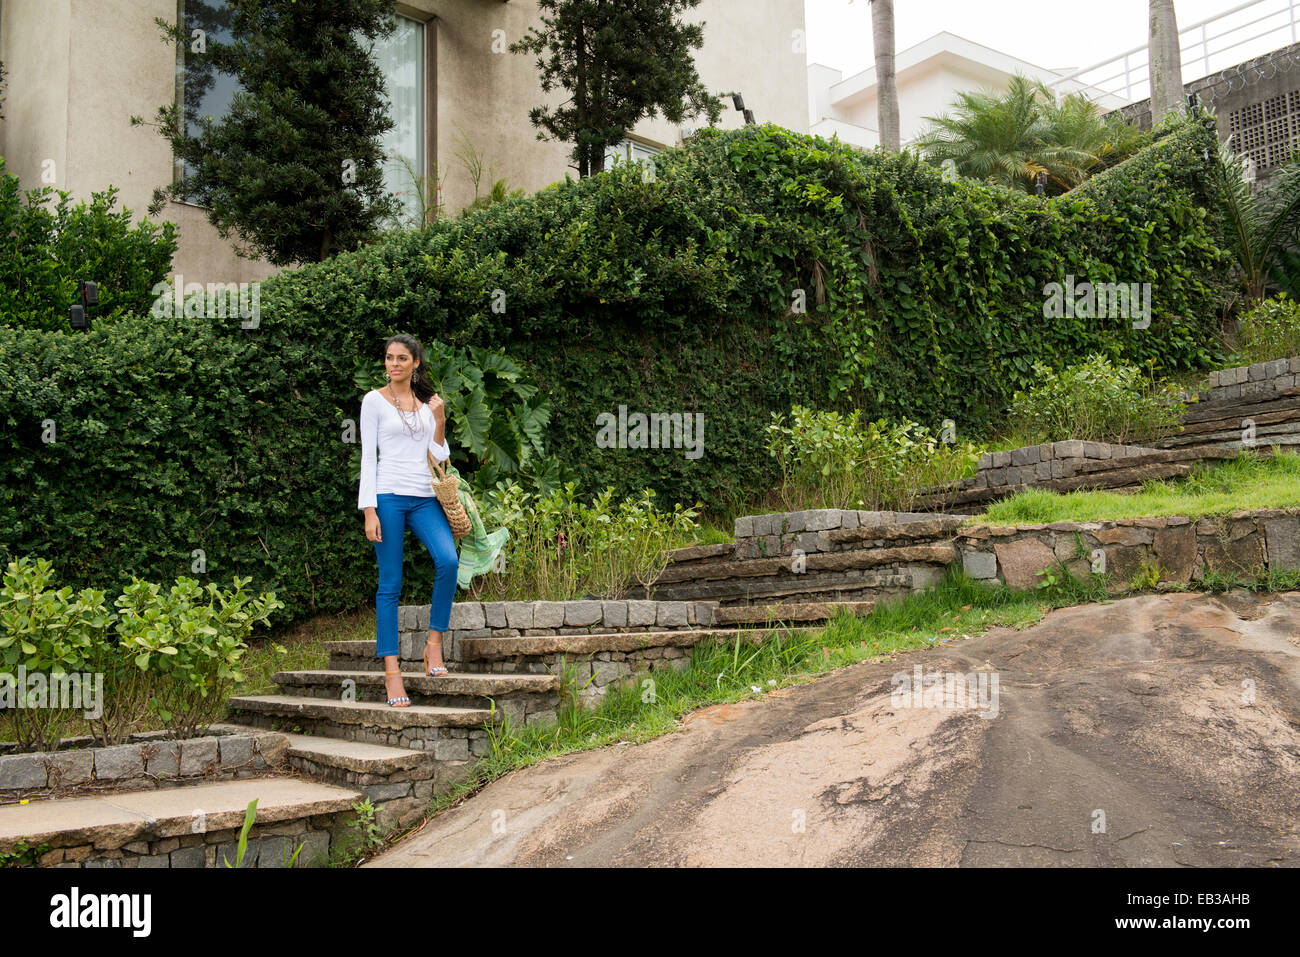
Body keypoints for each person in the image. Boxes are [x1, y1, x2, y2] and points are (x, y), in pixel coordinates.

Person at [358, 334, 458, 708]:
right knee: (391, 583)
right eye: (389, 358)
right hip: (388, 497)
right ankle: (392, 672)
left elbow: (439, 455)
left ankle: (433, 646)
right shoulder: (373, 401)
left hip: (425, 497)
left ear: (416, 363)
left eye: (402, 358)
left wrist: (440, 419)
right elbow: (369, 457)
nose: (394, 364)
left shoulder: (425, 405)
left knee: (448, 561)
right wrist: (369, 509)